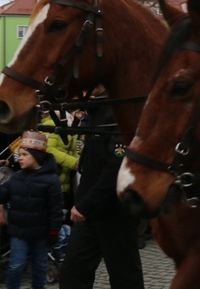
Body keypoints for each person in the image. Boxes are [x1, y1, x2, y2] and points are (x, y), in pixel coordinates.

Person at [58, 100, 145, 289]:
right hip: (87, 214)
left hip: (116, 213)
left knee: (125, 276)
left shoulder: (117, 114)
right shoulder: (91, 113)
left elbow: (116, 165)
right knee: (72, 274)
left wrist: (85, 204)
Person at [0, 131, 64, 289]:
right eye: (19, 154)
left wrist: (54, 231)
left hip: (41, 233)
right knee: (16, 265)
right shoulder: (16, 177)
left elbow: (56, 209)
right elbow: (2, 195)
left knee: (40, 266)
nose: (19, 158)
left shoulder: (51, 180)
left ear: (36, 156)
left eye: (24, 155)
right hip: (18, 231)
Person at [41, 112, 79, 222]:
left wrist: (79, 161)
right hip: (55, 175)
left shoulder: (72, 126)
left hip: (67, 179)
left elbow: (73, 149)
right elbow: (49, 149)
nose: (80, 114)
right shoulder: (51, 124)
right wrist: (73, 162)